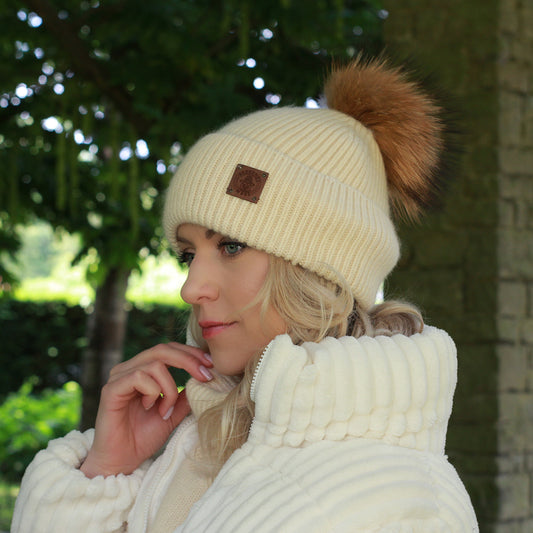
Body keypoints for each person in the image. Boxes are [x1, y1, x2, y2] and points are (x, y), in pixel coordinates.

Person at [12, 57, 479, 532]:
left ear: (318, 270)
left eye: (231, 246)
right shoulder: (203, 441)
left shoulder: (397, 504)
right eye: (188, 254)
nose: (191, 288)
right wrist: (105, 472)